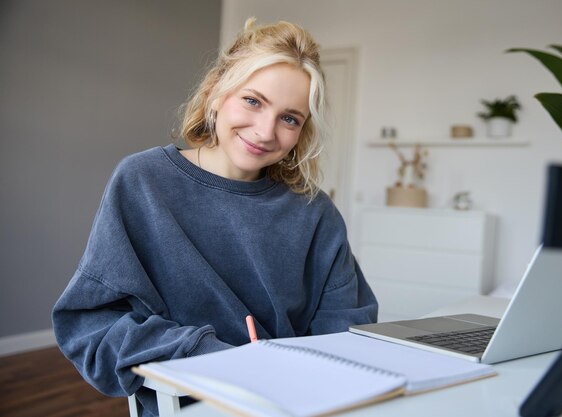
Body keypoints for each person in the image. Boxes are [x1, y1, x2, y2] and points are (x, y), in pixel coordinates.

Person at [52, 18, 377, 416]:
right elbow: (91, 327)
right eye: (253, 101)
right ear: (217, 93)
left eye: (289, 118)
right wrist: (206, 353)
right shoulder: (143, 181)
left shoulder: (315, 212)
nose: (264, 130)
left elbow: (350, 329)